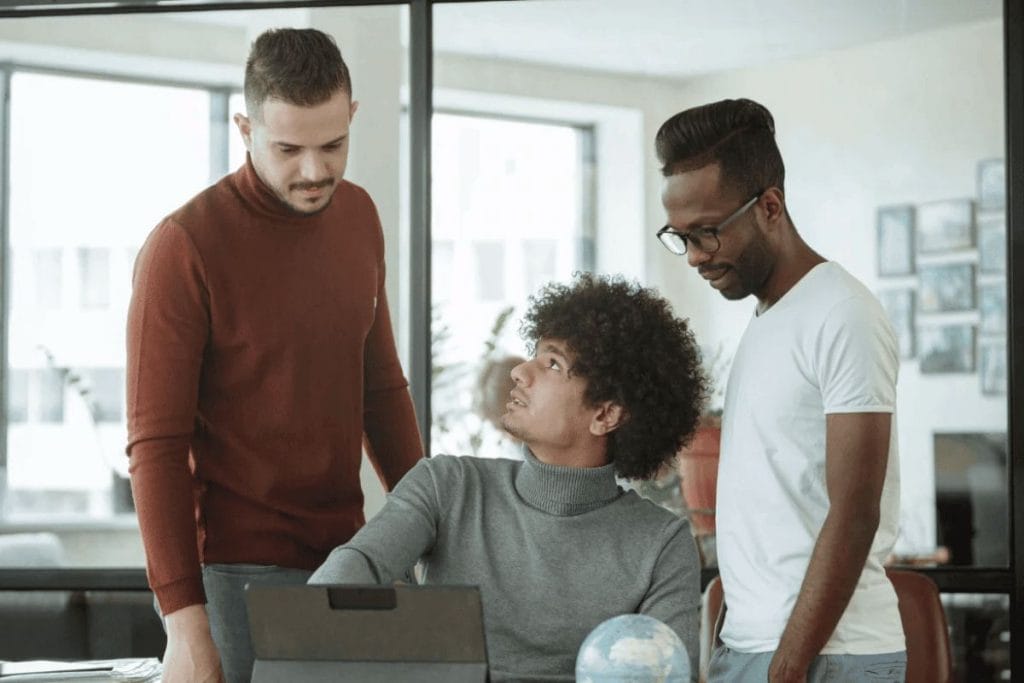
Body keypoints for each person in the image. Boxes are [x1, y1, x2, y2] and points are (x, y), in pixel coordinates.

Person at [126, 28, 423, 683]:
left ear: (352, 116)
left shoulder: (360, 217)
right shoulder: (184, 246)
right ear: (245, 127)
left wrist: (430, 522)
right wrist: (184, 623)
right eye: (288, 148)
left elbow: (380, 388)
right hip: (235, 568)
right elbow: (156, 445)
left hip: (349, 554)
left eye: (332, 145)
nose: (315, 170)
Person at [310, 273, 707, 681]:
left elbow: (667, 674)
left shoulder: (661, 543)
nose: (520, 371)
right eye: (532, 355)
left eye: (553, 364)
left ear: (605, 415)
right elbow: (357, 566)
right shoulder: (446, 485)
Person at [655, 98, 906, 682]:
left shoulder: (843, 314)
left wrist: (787, 666)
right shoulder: (768, 317)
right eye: (680, 236)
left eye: (708, 233)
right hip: (755, 647)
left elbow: (854, 511)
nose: (694, 257)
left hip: (829, 655)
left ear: (770, 205)